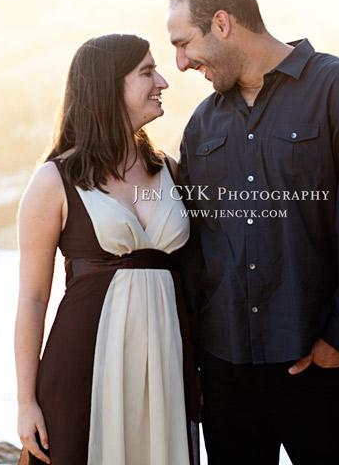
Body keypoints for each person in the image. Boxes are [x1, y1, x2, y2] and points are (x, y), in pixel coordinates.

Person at [166, 0, 339, 464]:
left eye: (184, 43)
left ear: (223, 24)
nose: (181, 63)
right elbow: (195, 248)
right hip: (225, 372)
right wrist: (194, 362)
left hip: (317, 364)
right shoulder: (201, 125)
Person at [14, 33, 201, 465]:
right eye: (147, 72)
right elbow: (32, 298)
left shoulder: (170, 170)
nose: (163, 82)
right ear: (109, 85)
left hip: (167, 364)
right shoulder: (53, 181)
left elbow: (195, 276)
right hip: (84, 367)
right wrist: (26, 403)